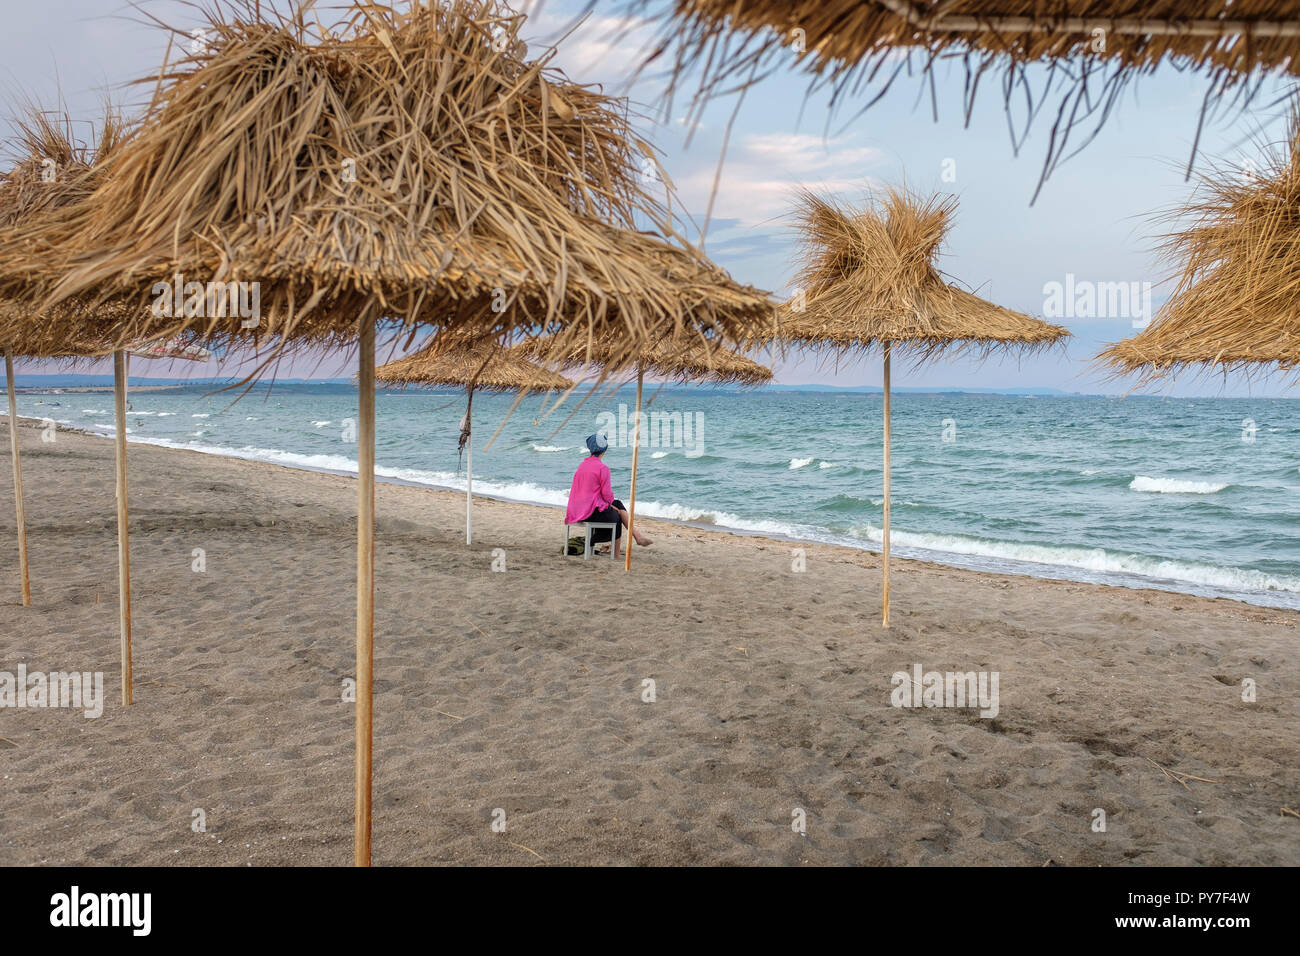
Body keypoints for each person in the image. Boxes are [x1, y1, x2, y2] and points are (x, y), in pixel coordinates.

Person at [565, 432, 652, 557]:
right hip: (590, 512)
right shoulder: (602, 468)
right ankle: (623, 547)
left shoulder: (582, 465)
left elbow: (590, 493)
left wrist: (611, 504)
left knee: (618, 505)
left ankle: (637, 537)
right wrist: (610, 505)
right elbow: (607, 495)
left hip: (576, 510)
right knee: (618, 516)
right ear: (604, 449)